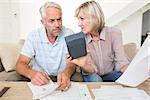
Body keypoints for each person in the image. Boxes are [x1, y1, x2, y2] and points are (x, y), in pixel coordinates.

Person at [16, 2, 81, 91]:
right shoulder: (33, 36)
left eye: (59, 19)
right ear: (43, 22)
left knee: (79, 80)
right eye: (52, 21)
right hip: (41, 77)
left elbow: (73, 62)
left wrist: (67, 73)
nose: (57, 25)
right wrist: (31, 74)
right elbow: (20, 63)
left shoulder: (69, 34)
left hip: (62, 76)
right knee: (15, 80)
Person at [70, 0, 129, 82]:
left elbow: (121, 63)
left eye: (82, 19)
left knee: (124, 76)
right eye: (78, 19)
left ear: (95, 18)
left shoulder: (115, 33)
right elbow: (92, 70)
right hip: (92, 74)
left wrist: (132, 72)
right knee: (96, 80)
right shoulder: (81, 39)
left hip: (110, 74)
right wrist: (84, 65)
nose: (79, 24)